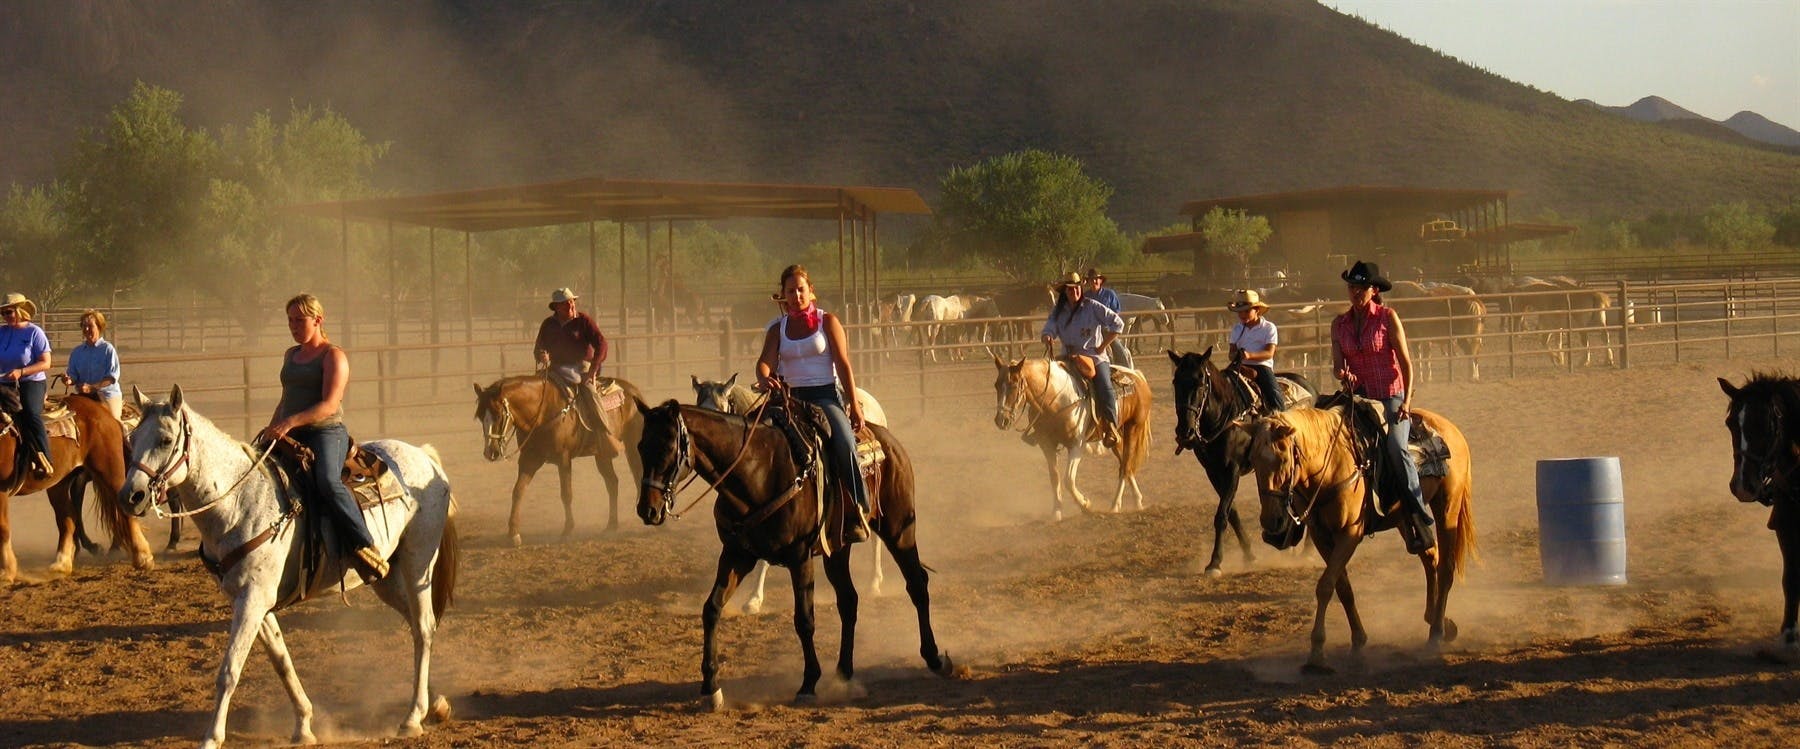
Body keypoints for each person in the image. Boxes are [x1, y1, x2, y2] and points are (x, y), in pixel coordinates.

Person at [258, 294, 387, 582]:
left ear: (317, 320)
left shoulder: (333, 356)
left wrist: (289, 422)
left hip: (325, 432)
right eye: (290, 320)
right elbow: (286, 399)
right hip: (290, 431)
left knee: (327, 481)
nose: (293, 325)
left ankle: (364, 545)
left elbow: (329, 404)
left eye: (299, 320)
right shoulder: (290, 355)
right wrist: (272, 428)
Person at [755, 264, 871, 543]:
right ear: (783, 295)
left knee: (843, 441)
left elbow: (843, 365)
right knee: (754, 440)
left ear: (811, 291)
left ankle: (857, 507)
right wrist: (763, 378)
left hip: (824, 396)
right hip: (789, 400)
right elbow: (765, 362)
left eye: (800, 289)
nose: (796, 295)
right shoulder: (777, 329)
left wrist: (853, 404)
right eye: (790, 291)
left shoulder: (827, 321)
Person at [1330, 261, 1433, 553]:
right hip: (1360, 397)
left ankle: (1417, 511)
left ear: (1373, 290)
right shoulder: (1339, 324)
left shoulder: (1388, 318)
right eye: (1352, 287)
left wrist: (1407, 400)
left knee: (1396, 448)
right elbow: (1337, 365)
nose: (1355, 292)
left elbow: (1405, 362)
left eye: (1361, 288)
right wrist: (1342, 375)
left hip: (1390, 395)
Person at [1042, 272, 1126, 448]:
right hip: (1067, 357)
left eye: (1078, 288)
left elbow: (1118, 323)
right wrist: (1048, 336)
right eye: (1071, 289)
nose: (1075, 292)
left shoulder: (1093, 306)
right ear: (1065, 291)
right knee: (1046, 383)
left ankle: (1111, 426)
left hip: (1093, 357)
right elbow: (1049, 327)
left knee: (1104, 386)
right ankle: (1042, 428)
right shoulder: (1058, 312)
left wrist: (1103, 346)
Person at [532, 287, 613, 448]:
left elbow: (601, 344)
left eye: (572, 302)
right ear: (556, 307)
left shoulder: (583, 321)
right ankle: (535, 435)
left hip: (582, 367)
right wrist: (542, 355)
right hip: (556, 368)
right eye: (565, 303)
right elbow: (538, 348)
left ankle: (605, 435)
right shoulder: (548, 325)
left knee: (589, 392)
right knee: (536, 390)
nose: (571, 306)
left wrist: (593, 369)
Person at [0, 293, 53, 477]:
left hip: (31, 381)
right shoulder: (2, 332)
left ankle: (44, 457)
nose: (5, 317)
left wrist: (21, 372)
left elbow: (46, 363)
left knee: (30, 413)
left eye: (9, 312)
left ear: (20, 311)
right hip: (4, 382)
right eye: (3, 313)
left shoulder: (34, 333)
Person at [60, 309, 123, 422]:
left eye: (90, 326)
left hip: (106, 395)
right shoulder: (77, 352)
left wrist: (91, 387)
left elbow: (111, 378)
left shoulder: (108, 349)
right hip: (84, 396)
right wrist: (68, 380)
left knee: (114, 422)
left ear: (99, 327)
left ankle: (125, 439)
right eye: (84, 326)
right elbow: (73, 375)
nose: (86, 329)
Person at [1227, 289, 1284, 412]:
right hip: (1239, 366)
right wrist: (1236, 356)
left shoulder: (1268, 327)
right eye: (1240, 312)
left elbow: (1269, 353)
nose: (1242, 315)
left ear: (1257, 310)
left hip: (1262, 367)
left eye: (1246, 311)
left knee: (1274, 396)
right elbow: (1231, 354)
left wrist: (1249, 355)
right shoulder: (1237, 329)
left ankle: (1280, 416)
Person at [1084, 267, 1133, 369]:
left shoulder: (1109, 294)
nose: (1094, 281)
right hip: (1090, 330)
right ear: (1088, 281)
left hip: (1106, 329)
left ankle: (1126, 371)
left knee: (1117, 348)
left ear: (1101, 280)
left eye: (1096, 279)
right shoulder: (1085, 297)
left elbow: (1116, 311)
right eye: (1091, 279)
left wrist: (1110, 325)